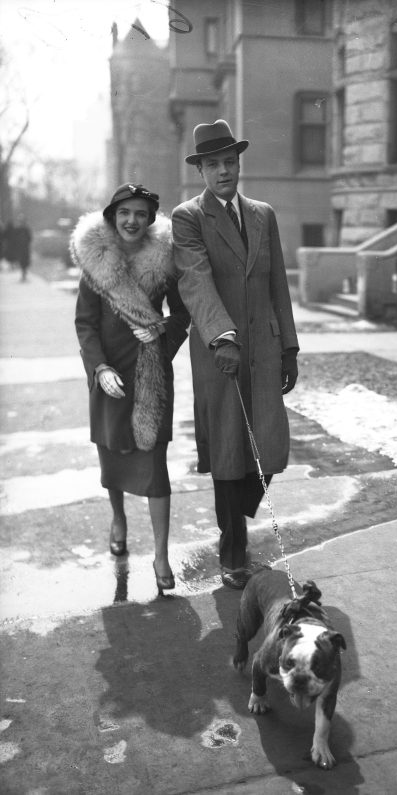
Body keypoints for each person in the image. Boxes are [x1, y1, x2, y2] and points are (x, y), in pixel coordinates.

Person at [172, 119, 299, 590]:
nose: (223, 171)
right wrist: (220, 337)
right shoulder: (187, 218)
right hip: (219, 353)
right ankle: (233, 551)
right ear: (201, 171)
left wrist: (288, 345)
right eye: (212, 164)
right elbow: (195, 280)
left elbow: (278, 283)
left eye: (229, 161)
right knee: (228, 450)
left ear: (238, 162)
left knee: (269, 447)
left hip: (264, 350)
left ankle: (240, 521)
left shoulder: (263, 214)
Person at [73, 183, 190, 596]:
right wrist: (98, 368)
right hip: (109, 378)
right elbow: (85, 323)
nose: (132, 221)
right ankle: (119, 520)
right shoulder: (96, 263)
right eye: (125, 213)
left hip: (150, 374)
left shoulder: (164, 260)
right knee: (114, 460)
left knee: (155, 468)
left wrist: (159, 338)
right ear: (112, 217)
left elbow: (181, 315)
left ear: (150, 219)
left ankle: (160, 554)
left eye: (141, 213)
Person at [5, 214, 32, 281]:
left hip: (23, 248)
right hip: (23, 248)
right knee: (23, 262)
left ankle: (24, 274)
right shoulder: (22, 229)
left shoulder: (24, 229)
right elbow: (29, 238)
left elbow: (29, 238)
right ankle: (23, 274)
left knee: (24, 262)